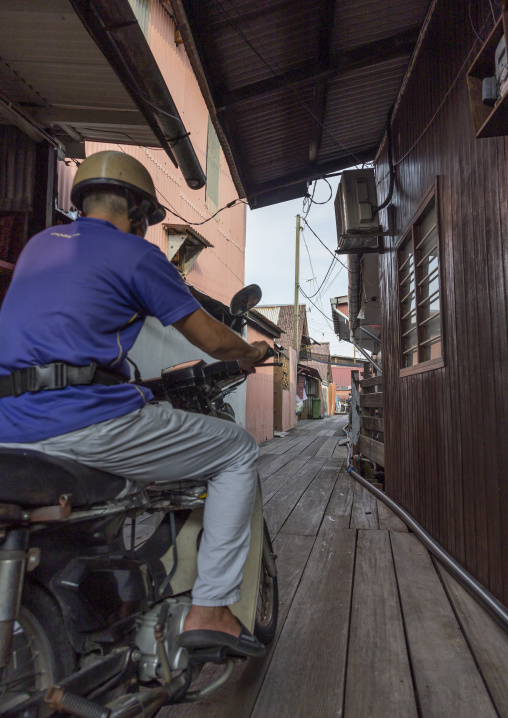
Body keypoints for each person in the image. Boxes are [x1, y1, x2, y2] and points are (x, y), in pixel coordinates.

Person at [0, 151, 269, 658]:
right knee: (236, 449)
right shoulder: (136, 255)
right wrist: (249, 350)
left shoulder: (39, 246)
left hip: (7, 425)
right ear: (138, 215)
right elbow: (212, 338)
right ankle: (210, 607)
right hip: (81, 421)